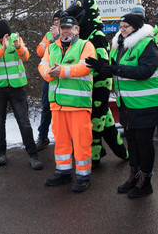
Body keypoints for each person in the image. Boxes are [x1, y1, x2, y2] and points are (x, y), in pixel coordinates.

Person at [88, 13, 158, 198]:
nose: (122, 29)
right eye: (120, 26)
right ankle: (134, 176)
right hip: (128, 103)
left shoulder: (147, 43)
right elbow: (116, 69)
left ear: (136, 27)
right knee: (132, 142)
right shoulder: (120, 44)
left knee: (143, 142)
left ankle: (145, 181)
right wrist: (102, 67)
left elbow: (145, 71)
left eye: (126, 26)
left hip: (147, 103)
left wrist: (115, 69)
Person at [63, 0, 128, 168]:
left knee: (95, 122)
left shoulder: (96, 35)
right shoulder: (83, 33)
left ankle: (94, 157)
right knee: (104, 120)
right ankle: (123, 152)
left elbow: (103, 65)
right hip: (88, 84)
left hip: (100, 84)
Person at [38, 16, 96, 192]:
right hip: (57, 104)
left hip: (78, 103)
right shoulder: (52, 46)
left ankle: (83, 176)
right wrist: (49, 72)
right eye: (63, 28)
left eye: (69, 28)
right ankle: (63, 172)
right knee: (61, 141)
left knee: (81, 142)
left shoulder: (86, 45)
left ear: (77, 29)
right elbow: (42, 65)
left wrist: (61, 70)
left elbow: (86, 66)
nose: (65, 31)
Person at [0, 19, 43, 169]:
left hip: (17, 87)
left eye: (6, 36)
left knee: (24, 121)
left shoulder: (16, 37)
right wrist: (2, 49)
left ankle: (32, 155)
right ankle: (1, 154)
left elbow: (26, 57)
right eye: (0, 38)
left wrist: (18, 48)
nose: (4, 39)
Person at [130, 3, 158, 140]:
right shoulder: (128, 27)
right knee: (133, 100)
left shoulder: (154, 28)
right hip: (135, 69)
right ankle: (131, 126)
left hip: (155, 70)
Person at [35, 10, 61, 151]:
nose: (56, 22)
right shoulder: (48, 35)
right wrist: (51, 40)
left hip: (64, 78)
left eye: (58, 19)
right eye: (54, 19)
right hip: (49, 78)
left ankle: (65, 139)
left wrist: (57, 37)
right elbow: (40, 51)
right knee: (46, 107)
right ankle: (43, 136)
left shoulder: (69, 35)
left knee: (64, 109)